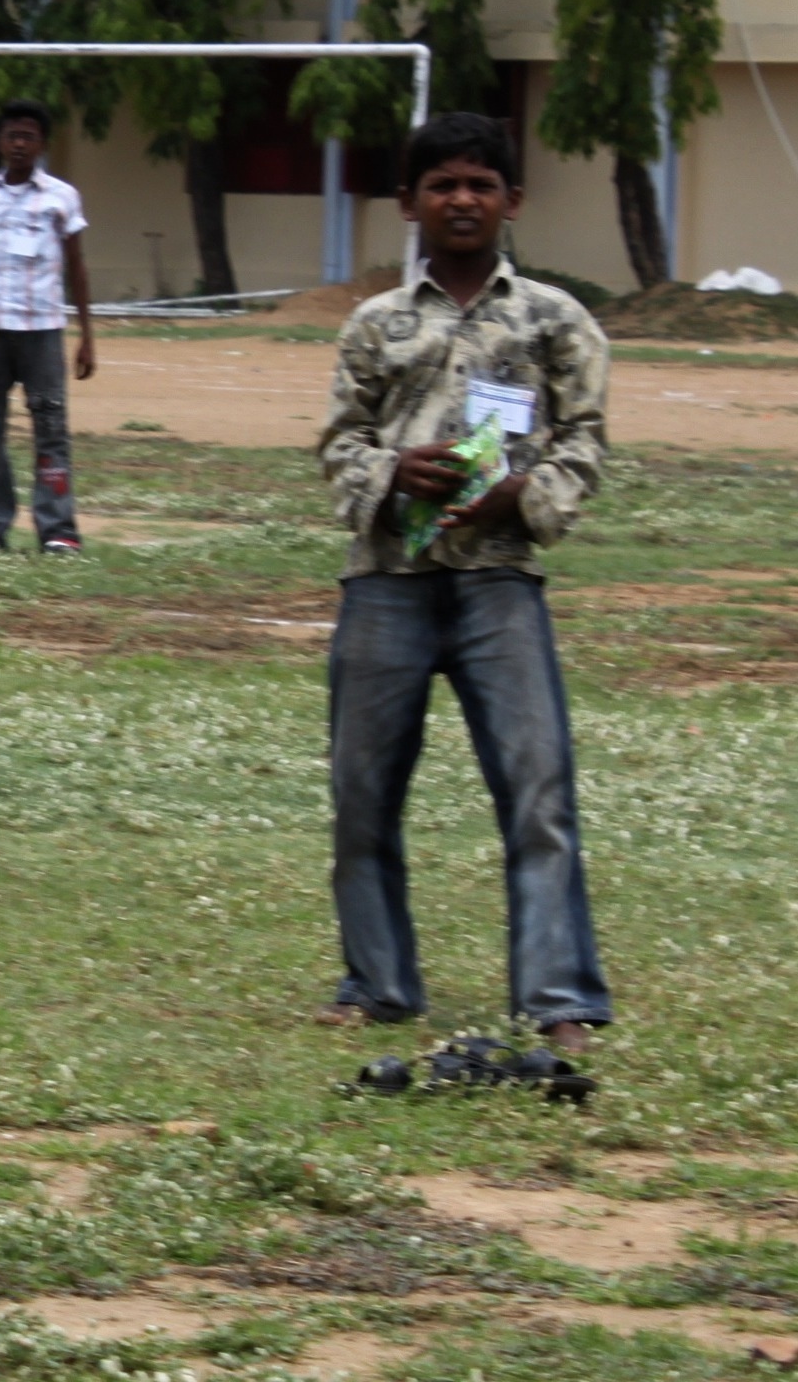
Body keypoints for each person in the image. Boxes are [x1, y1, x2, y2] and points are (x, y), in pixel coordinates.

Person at [314, 113, 610, 1055]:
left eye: (480, 184)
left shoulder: (554, 321)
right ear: (408, 203)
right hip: (386, 584)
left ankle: (558, 997)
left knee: (537, 789)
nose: (461, 200)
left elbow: (585, 441)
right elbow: (336, 444)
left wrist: (528, 496)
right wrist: (392, 473)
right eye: (440, 184)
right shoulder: (374, 324)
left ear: (511, 200)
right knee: (362, 794)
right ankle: (377, 984)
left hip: (498, 584)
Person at [0, 100, 93, 553]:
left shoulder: (60, 197)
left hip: (43, 332)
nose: (19, 144)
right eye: (11, 135)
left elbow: (77, 267)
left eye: (28, 136)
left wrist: (88, 336)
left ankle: (58, 530)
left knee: (50, 429)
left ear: (42, 144)